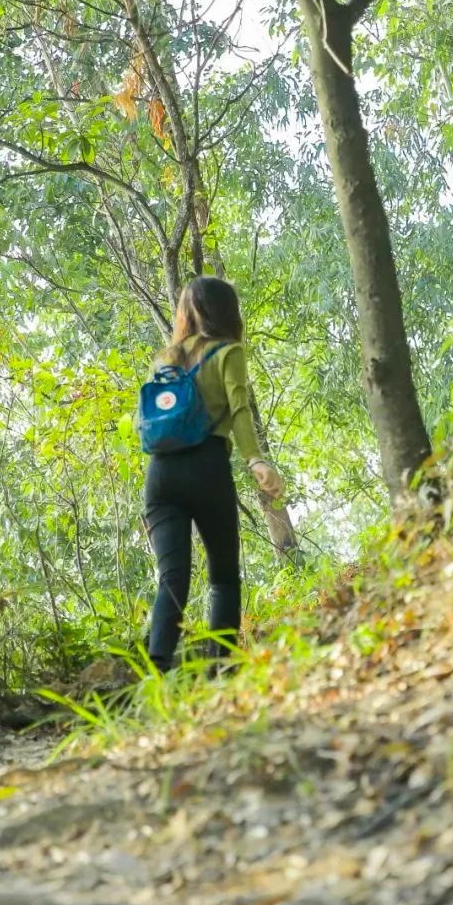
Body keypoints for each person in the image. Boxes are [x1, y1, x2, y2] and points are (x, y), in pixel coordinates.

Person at [143, 276, 283, 673]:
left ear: (185, 312)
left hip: (161, 473)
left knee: (172, 576)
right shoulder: (228, 351)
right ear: (225, 310)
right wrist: (256, 460)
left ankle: (156, 669)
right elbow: (239, 409)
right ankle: (220, 669)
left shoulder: (164, 359)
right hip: (207, 467)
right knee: (222, 574)